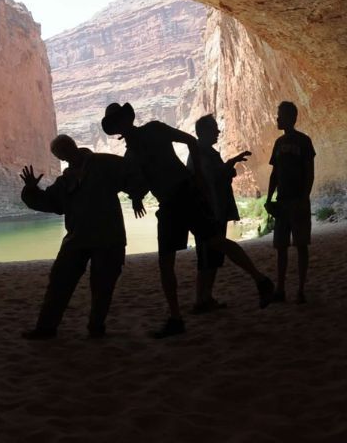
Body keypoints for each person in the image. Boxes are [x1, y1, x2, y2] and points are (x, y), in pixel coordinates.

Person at [101, 102, 274, 338]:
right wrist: (136, 197)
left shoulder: (150, 134)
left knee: (207, 245)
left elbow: (190, 144)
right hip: (175, 202)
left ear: (125, 122)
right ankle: (178, 317)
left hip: (183, 197)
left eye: (119, 122)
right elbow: (144, 181)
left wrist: (199, 179)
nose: (121, 127)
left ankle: (258, 281)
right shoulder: (139, 146)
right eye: (117, 124)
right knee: (181, 256)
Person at [19, 135, 139, 340]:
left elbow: (134, 174)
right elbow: (49, 202)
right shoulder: (66, 180)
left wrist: (136, 195)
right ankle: (47, 328)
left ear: (71, 146)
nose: (63, 156)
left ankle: (95, 328)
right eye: (59, 154)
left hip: (107, 239)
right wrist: (31, 189)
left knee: (102, 285)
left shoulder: (104, 163)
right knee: (59, 280)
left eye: (62, 151)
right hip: (80, 239)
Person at [186, 114, 256, 314]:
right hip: (209, 214)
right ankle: (201, 300)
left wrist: (230, 164)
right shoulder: (201, 153)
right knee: (207, 258)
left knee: (213, 258)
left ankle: (206, 298)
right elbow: (210, 180)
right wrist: (229, 169)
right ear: (204, 132)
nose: (218, 132)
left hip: (214, 212)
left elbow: (214, 177)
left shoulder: (204, 152)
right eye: (214, 129)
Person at [266, 101, 316, 304]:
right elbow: (274, 173)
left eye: (280, 115)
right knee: (281, 247)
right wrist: (269, 199)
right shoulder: (278, 144)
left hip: (297, 202)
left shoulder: (304, 141)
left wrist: (304, 197)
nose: (277, 118)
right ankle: (280, 289)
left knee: (301, 245)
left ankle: (301, 289)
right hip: (282, 203)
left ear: (291, 117)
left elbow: (309, 172)